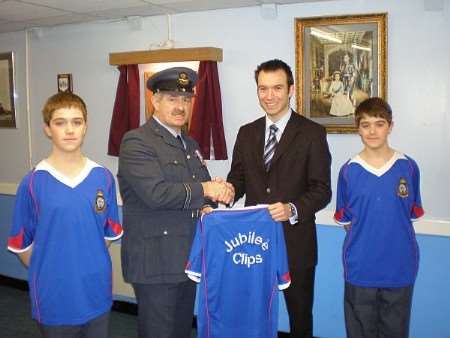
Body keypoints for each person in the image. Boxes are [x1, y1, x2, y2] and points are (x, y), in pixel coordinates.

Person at [118, 66, 234, 338]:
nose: (181, 106)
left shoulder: (190, 144)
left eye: (186, 100)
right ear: (155, 101)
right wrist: (207, 188)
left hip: (187, 254)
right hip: (155, 260)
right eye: (172, 99)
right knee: (159, 332)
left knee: (181, 330)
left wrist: (216, 195)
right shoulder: (137, 141)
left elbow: (199, 194)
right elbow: (156, 194)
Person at [227, 59, 332, 338]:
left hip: (296, 244)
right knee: (255, 314)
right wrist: (225, 193)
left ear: (291, 89)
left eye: (277, 88)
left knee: (299, 318)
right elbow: (238, 179)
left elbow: (322, 189)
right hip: (252, 244)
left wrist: (293, 208)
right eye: (263, 89)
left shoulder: (312, 133)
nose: (269, 96)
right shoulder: (246, 133)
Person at [7, 92, 123, 338]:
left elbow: (108, 232)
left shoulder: (102, 177)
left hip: (96, 292)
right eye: (60, 122)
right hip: (54, 297)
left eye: (77, 122)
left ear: (85, 127)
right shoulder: (32, 183)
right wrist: (50, 267)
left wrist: (85, 258)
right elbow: (21, 245)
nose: (69, 130)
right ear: (48, 129)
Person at [334, 97, 424, 338]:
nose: (372, 131)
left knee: (396, 331)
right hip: (360, 269)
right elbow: (347, 223)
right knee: (360, 331)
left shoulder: (408, 167)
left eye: (379, 123)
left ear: (390, 126)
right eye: (365, 125)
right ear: (358, 129)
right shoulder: (348, 171)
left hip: (400, 267)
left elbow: (409, 215)